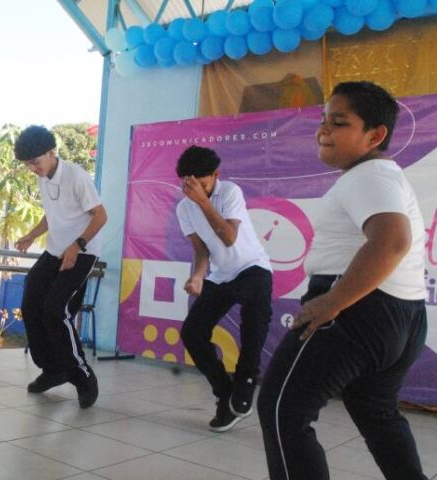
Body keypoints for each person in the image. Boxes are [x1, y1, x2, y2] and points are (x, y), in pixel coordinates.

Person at [257, 82, 428, 480]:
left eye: (339, 123)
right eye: (323, 120)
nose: (323, 131)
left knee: (283, 410)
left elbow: (392, 241)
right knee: (376, 411)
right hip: (402, 315)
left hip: (356, 311)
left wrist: (332, 301)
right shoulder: (380, 176)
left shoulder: (368, 176)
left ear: (375, 135)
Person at [175, 145, 273, 432]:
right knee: (192, 332)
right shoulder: (184, 207)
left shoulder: (230, 192)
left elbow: (229, 237)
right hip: (221, 275)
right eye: (188, 183)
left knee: (254, 323)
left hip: (252, 267)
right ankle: (224, 392)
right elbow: (201, 249)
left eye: (202, 184)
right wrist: (197, 276)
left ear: (215, 175)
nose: (195, 190)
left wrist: (203, 203)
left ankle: (245, 382)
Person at [14, 125, 106, 409]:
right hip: (55, 250)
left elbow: (100, 216)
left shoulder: (76, 176)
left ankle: (82, 375)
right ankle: (52, 369)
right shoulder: (43, 178)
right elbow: (51, 214)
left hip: (83, 251)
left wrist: (77, 245)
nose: (33, 169)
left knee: (55, 309)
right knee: (31, 304)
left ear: (51, 152)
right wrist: (32, 234)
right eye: (28, 165)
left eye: (35, 162)